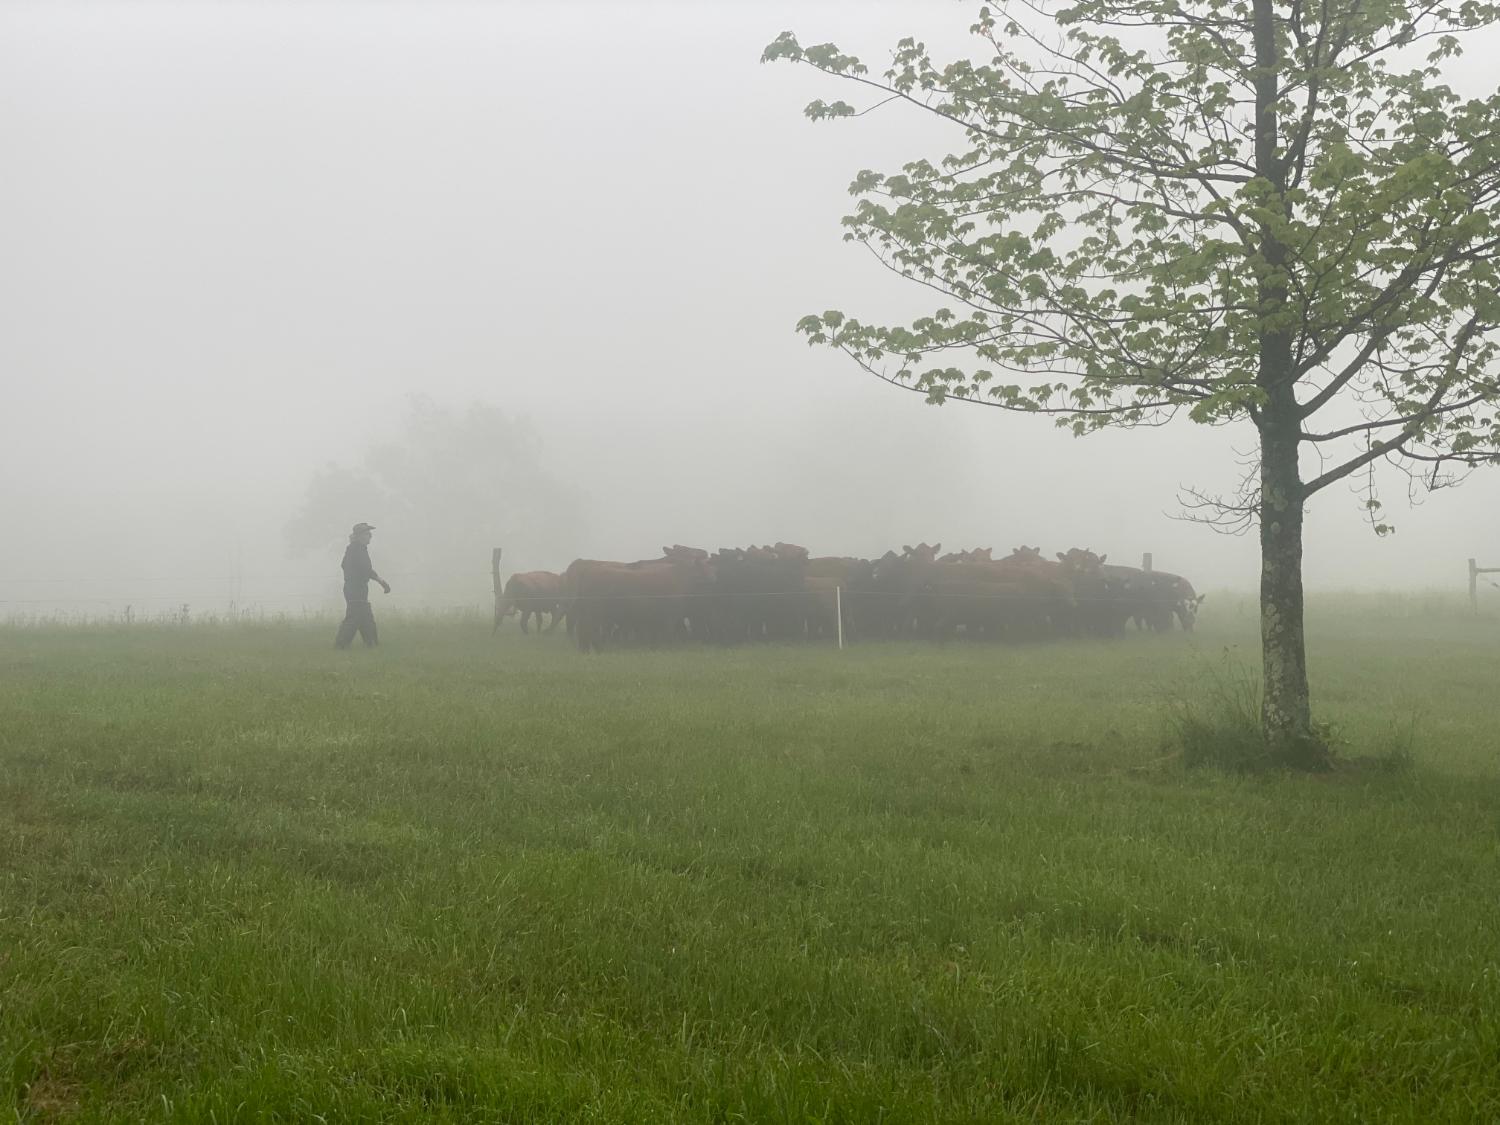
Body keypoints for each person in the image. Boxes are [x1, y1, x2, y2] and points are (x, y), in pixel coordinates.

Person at [335, 522, 390, 649]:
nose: (370, 536)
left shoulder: (355, 549)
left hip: (355, 587)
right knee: (354, 617)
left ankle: (372, 643)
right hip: (355, 588)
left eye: (369, 534)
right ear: (359, 536)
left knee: (365, 617)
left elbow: (345, 565)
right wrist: (381, 581)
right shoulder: (356, 550)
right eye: (367, 534)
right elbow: (366, 569)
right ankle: (340, 646)